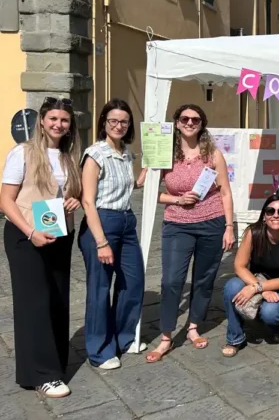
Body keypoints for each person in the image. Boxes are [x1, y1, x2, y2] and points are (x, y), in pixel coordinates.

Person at [0, 97, 82, 397]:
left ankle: (55, 364)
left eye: (64, 120)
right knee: (34, 303)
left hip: (59, 234)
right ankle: (41, 374)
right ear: (42, 122)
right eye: (53, 119)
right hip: (26, 236)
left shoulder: (69, 155)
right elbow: (5, 200)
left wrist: (73, 198)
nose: (58, 124)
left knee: (58, 299)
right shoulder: (23, 152)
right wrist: (30, 231)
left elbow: (70, 191)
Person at [146, 104, 236, 362]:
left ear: (202, 124)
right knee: (172, 280)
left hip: (212, 222)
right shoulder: (166, 153)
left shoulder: (213, 154)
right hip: (177, 224)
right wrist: (176, 200)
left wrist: (229, 227)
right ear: (176, 122)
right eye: (184, 118)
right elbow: (149, 190)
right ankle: (166, 335)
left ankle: (194, 326)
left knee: (204, 279)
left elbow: (225, 192)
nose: (189, 122)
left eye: (195, 119)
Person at [79, 99, 148, 370]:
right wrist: (101, 242)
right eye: (113, 121)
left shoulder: (126, 153)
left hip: (126, 220)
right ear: (104, 123)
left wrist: (146, 174)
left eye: (124, 121)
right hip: (101, 222)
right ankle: (99, 350)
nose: (119, 126)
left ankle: (123, 338)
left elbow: (127, 188)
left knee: (133, 282)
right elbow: (87, 201)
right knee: (99, 288)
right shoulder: (95, 154)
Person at [221, 194, 279, 356]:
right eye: (270, 210)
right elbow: (239, 265)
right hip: (257, 279)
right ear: (264, 215)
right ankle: (235, 338)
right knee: (231, 286)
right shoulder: (254, 232)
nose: (276, 215)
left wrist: (258, 288)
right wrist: (261, 289)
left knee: (270, 314)